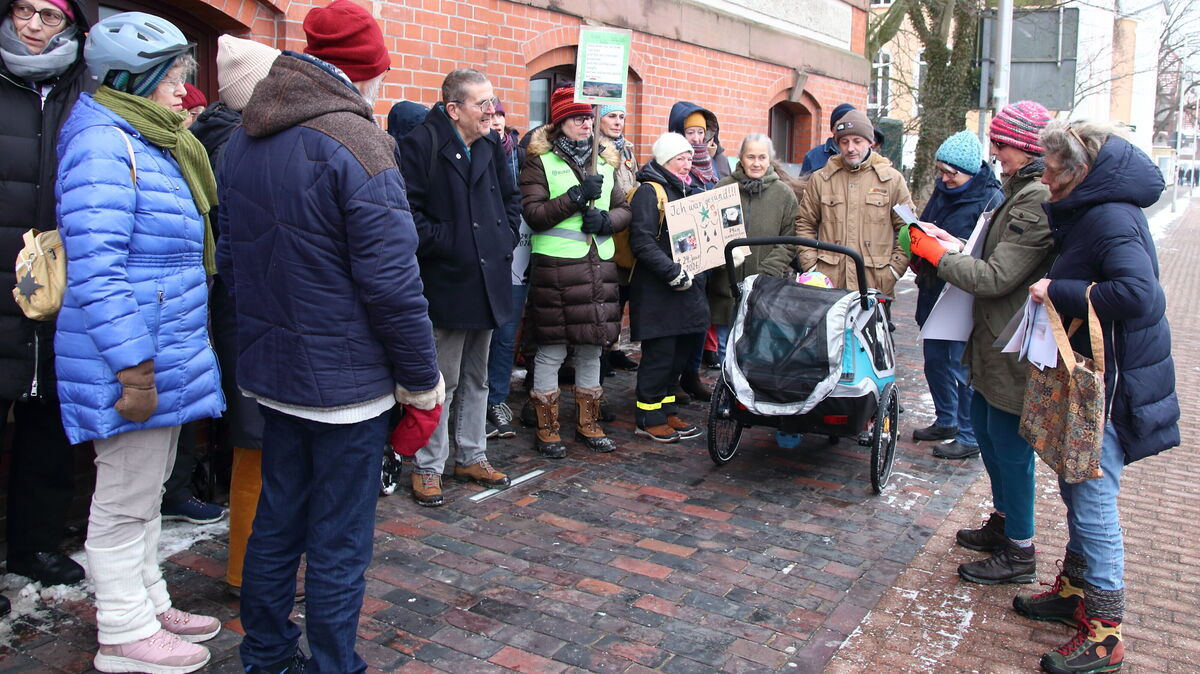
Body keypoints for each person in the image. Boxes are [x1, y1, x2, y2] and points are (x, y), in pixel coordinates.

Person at [217, 2, 442, 671]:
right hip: (345, 387)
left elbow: (232, 262)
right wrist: (423, 383)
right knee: (339, 540)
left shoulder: (243, 138)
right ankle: (334, 664)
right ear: (361, 70)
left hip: (277, 374)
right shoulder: (358, 143)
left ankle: (266, 654)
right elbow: (395, 289)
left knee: (278, 524)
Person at [56, 11, 225, 672]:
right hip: (133, 354)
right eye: (174, 78)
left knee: (145, 487)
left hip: (163, 344)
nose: (184, 91)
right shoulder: (104, 143)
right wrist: (134, 366)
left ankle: (147, 601)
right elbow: (98, 270)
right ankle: (122, 630)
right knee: (124, 495)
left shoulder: (147, 137)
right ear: (136, 77)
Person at [1015, 121, 1178, 674]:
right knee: (1076, 478)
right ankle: (1076, 591)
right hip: (1095, 375)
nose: (1047, 177)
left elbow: (1137, 294)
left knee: (1092, 493)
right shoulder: (1096, 209)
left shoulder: (1109, 215)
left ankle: (1106, 633)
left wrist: (1056, 289)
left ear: (1080, 170)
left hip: (1110, 385)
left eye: (1054, 169)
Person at [905, 101, 1054, 586]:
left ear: (1027, 146)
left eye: (1002, 144)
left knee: (1010, 447)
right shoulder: (1016, 191)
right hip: (992, 336)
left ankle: (1020, 549)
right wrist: (949, 246)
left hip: (1011, 341)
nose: (995, 152)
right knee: (989, 433)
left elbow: (994, 277)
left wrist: (936, 254)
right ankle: (1006, 522)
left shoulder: (1032, 198)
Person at [0, 0, 93, 609]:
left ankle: (33, 542)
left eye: (49, 16)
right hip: (2, 277)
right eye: (23, 11)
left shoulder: (85, 91)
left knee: (50, 418)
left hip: (62, 284)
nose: (33, 27)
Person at [399, 67, 519, 506]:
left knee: (477, 377)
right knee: (440, 382)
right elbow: (407, 214)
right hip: (446, 282)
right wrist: (453, 242)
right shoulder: (420, 145)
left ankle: (472, 455)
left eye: (492, 101)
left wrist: (503, 236)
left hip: (488, 280)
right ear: (454, 109)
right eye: (482, 104)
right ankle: (428, 467)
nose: (492, 111)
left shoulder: (489, 144)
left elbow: (511, 198)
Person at [193, 33, 280, 598]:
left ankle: (252, 567)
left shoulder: (227, 136)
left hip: (242, 302)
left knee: (258, 436)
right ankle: (246, 572)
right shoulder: (234, 143)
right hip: (245, 304)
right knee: (257, 438)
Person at [519, 84, 631, 458]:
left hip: (598, 267)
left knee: (591, 349)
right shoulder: (541, 160)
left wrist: (606, 221)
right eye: (578, 118)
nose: (587, 123)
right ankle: (547, 425)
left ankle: (589, 421)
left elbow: (623, 209)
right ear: (561, 121)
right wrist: (577, 197)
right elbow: (534, 215)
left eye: (589, 117)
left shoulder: (606, 159)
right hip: (558, 268)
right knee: (551, 350)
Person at [910, 130, 1003, 459]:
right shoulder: (942, 190)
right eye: (941, 171)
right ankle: (946, 420)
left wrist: (952, 244)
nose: (945, 179)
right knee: (935, 361)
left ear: (972, 171)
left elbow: (987, 252)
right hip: (934, 286)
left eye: (952, 173)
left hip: (962, 295)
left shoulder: (991, 199)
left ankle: (969, 434)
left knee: (959, 365)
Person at [627, 132, 709, 442]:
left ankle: (667, 409)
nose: (687, 163)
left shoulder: (685, 189)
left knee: (678, 355)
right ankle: (648, 417)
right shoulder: (652, 191)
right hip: (658, 290)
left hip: (685, 290)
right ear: (665, 161)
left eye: (689, 158)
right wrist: (671, 272)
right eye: (680, 158)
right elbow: (642, 241)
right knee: (659, 356)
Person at [795, 109, 914, 295]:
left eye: (857, 141)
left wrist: (894, 271)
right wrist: (811, 268)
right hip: (830, 284)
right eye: (844, 142)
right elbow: (805, 224)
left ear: (870, 141)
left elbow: (908, 229)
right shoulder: (821, 179)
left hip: (875, 283)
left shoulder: (892, 180)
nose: (850, 148)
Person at [709, 134, 799, 362]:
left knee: (758, 351)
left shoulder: (783, 194)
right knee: (725, 349)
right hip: (725, 286)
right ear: (740, 158)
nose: (756, 163)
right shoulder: (723, 187)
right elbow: (709, 233)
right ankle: (728, 395)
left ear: (770, 160)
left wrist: (768, 270)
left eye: (762, 157)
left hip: (764, 286)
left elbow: (790, 239)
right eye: (751, 157)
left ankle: (749, 397)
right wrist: (722, 261)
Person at [666, 100, 727, 401]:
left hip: (709, 251)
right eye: (690, 132)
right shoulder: (672, 164)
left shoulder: (714, 163)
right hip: (680, 253)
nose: (697, 139)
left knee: (702, 318)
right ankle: (672, 378)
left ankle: (691, 372)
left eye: (701, 132)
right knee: (679, 320)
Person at [483, 98, 533, 439]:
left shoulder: (521, 156)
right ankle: (471, 398)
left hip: (516, 256)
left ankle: (497, 397)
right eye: (490, 114)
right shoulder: (474, 151)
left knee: (505, 332)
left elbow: (522, 201)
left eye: (500, 114)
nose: (497, 120)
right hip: (480, 256)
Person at [596, 102, 641, 373]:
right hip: (608, 226)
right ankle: (601, 351)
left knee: (622, 292)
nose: (617, 122)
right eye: (611, 116)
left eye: (621, 117)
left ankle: (613, 348)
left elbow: (631, 181)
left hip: (627, 230)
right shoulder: (596, 149)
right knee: (607, 295)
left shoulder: (627, 149)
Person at [800, 102, 856, 175]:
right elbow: (803, 185)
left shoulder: (866, 155)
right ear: (833, 129)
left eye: (851, 125)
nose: (846, 130)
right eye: (841, 126)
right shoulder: (813, 156)